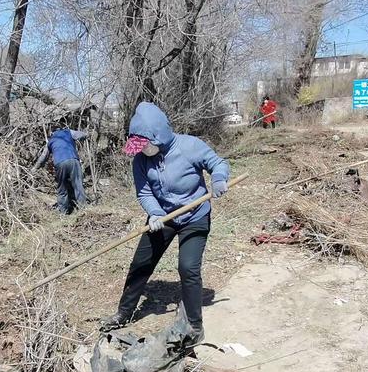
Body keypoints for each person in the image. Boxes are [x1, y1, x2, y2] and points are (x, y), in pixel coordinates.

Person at [100, 102, 230, 345]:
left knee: (188, 268)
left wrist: (219, 179)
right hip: (164, 216)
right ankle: (123, 313)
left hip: (195, 215)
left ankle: (194, 325)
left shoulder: (189, 146)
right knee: (141, 262)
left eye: (144, 144)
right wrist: (154, 213)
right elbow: (144, 192)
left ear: (158, 136)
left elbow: (218, 163)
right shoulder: (140, 159)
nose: (140, 150)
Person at [32, 127, 88, 214]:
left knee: (62, 188)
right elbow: (82, 135)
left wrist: (35, 168)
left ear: (52, 133)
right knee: (78, 185)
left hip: (60, 163)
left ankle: (63, 212)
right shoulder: (68, 132)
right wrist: (85, 135)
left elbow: (43, 157)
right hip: (73, 160)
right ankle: (83, 209)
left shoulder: (51, 141)